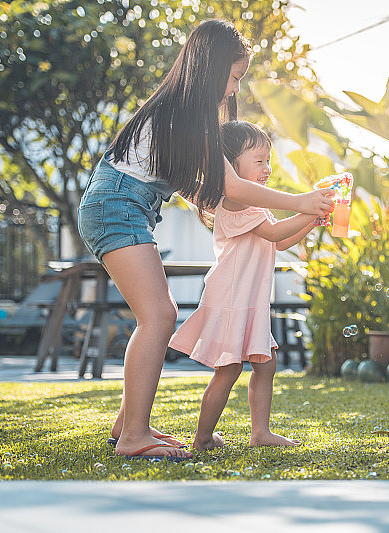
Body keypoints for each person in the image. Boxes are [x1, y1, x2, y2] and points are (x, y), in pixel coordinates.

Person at [77, 20, 333, 460]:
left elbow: (201, 186)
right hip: (116, 205)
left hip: (123, 204)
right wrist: (301, 201)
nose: (235, 89)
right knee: (158, 315)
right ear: (213, 68)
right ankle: (134, 436)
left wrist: (295, 211)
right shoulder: (185, 112)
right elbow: (231, 187)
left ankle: (127, 426)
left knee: (158, 313)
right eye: (234, 77)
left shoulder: (179, 112)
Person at [170, 121, 316, 450]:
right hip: (232, 297)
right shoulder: (235, 201)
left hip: (248, 300)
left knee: (265, 364)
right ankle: (203, 438)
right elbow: (276, 234)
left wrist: (313, 219)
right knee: (229, 368)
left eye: (269, 161)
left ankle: (260, 433)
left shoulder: (255, 204)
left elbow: (279, 242)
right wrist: (308, 208)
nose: (267, 168)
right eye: (259, 161)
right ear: (232, 165)